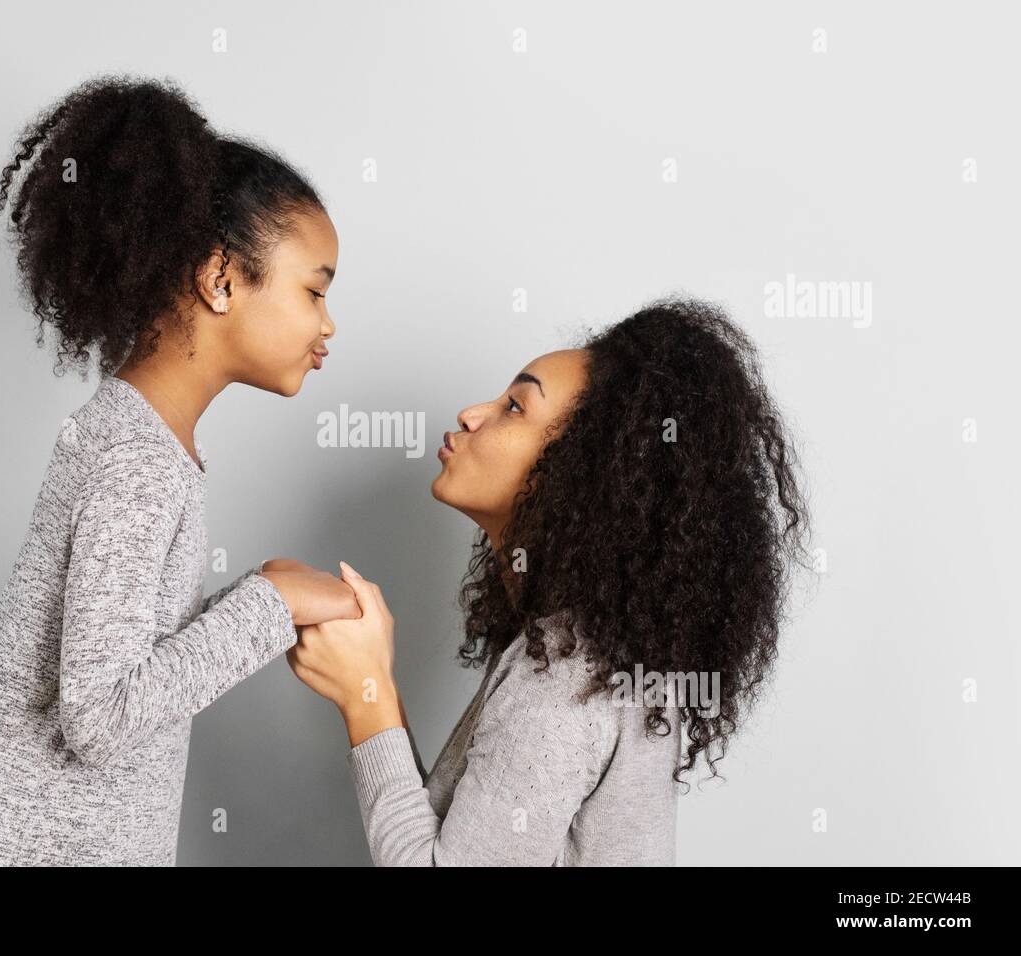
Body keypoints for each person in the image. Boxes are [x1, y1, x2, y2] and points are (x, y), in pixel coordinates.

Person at [0, 74, 353, 866]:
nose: (328, 324)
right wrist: (270, 606)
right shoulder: (137, 459)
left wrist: (249, 597)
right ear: (221, 278)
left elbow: (128, 654)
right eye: (314, 291)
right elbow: (98, 716)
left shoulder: (146, 441)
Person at [288, 297, 811, 865]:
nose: (470, 413)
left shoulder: (563, 678)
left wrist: (366, 695)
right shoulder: (584, 651)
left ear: (585, 473)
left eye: (515, 407)